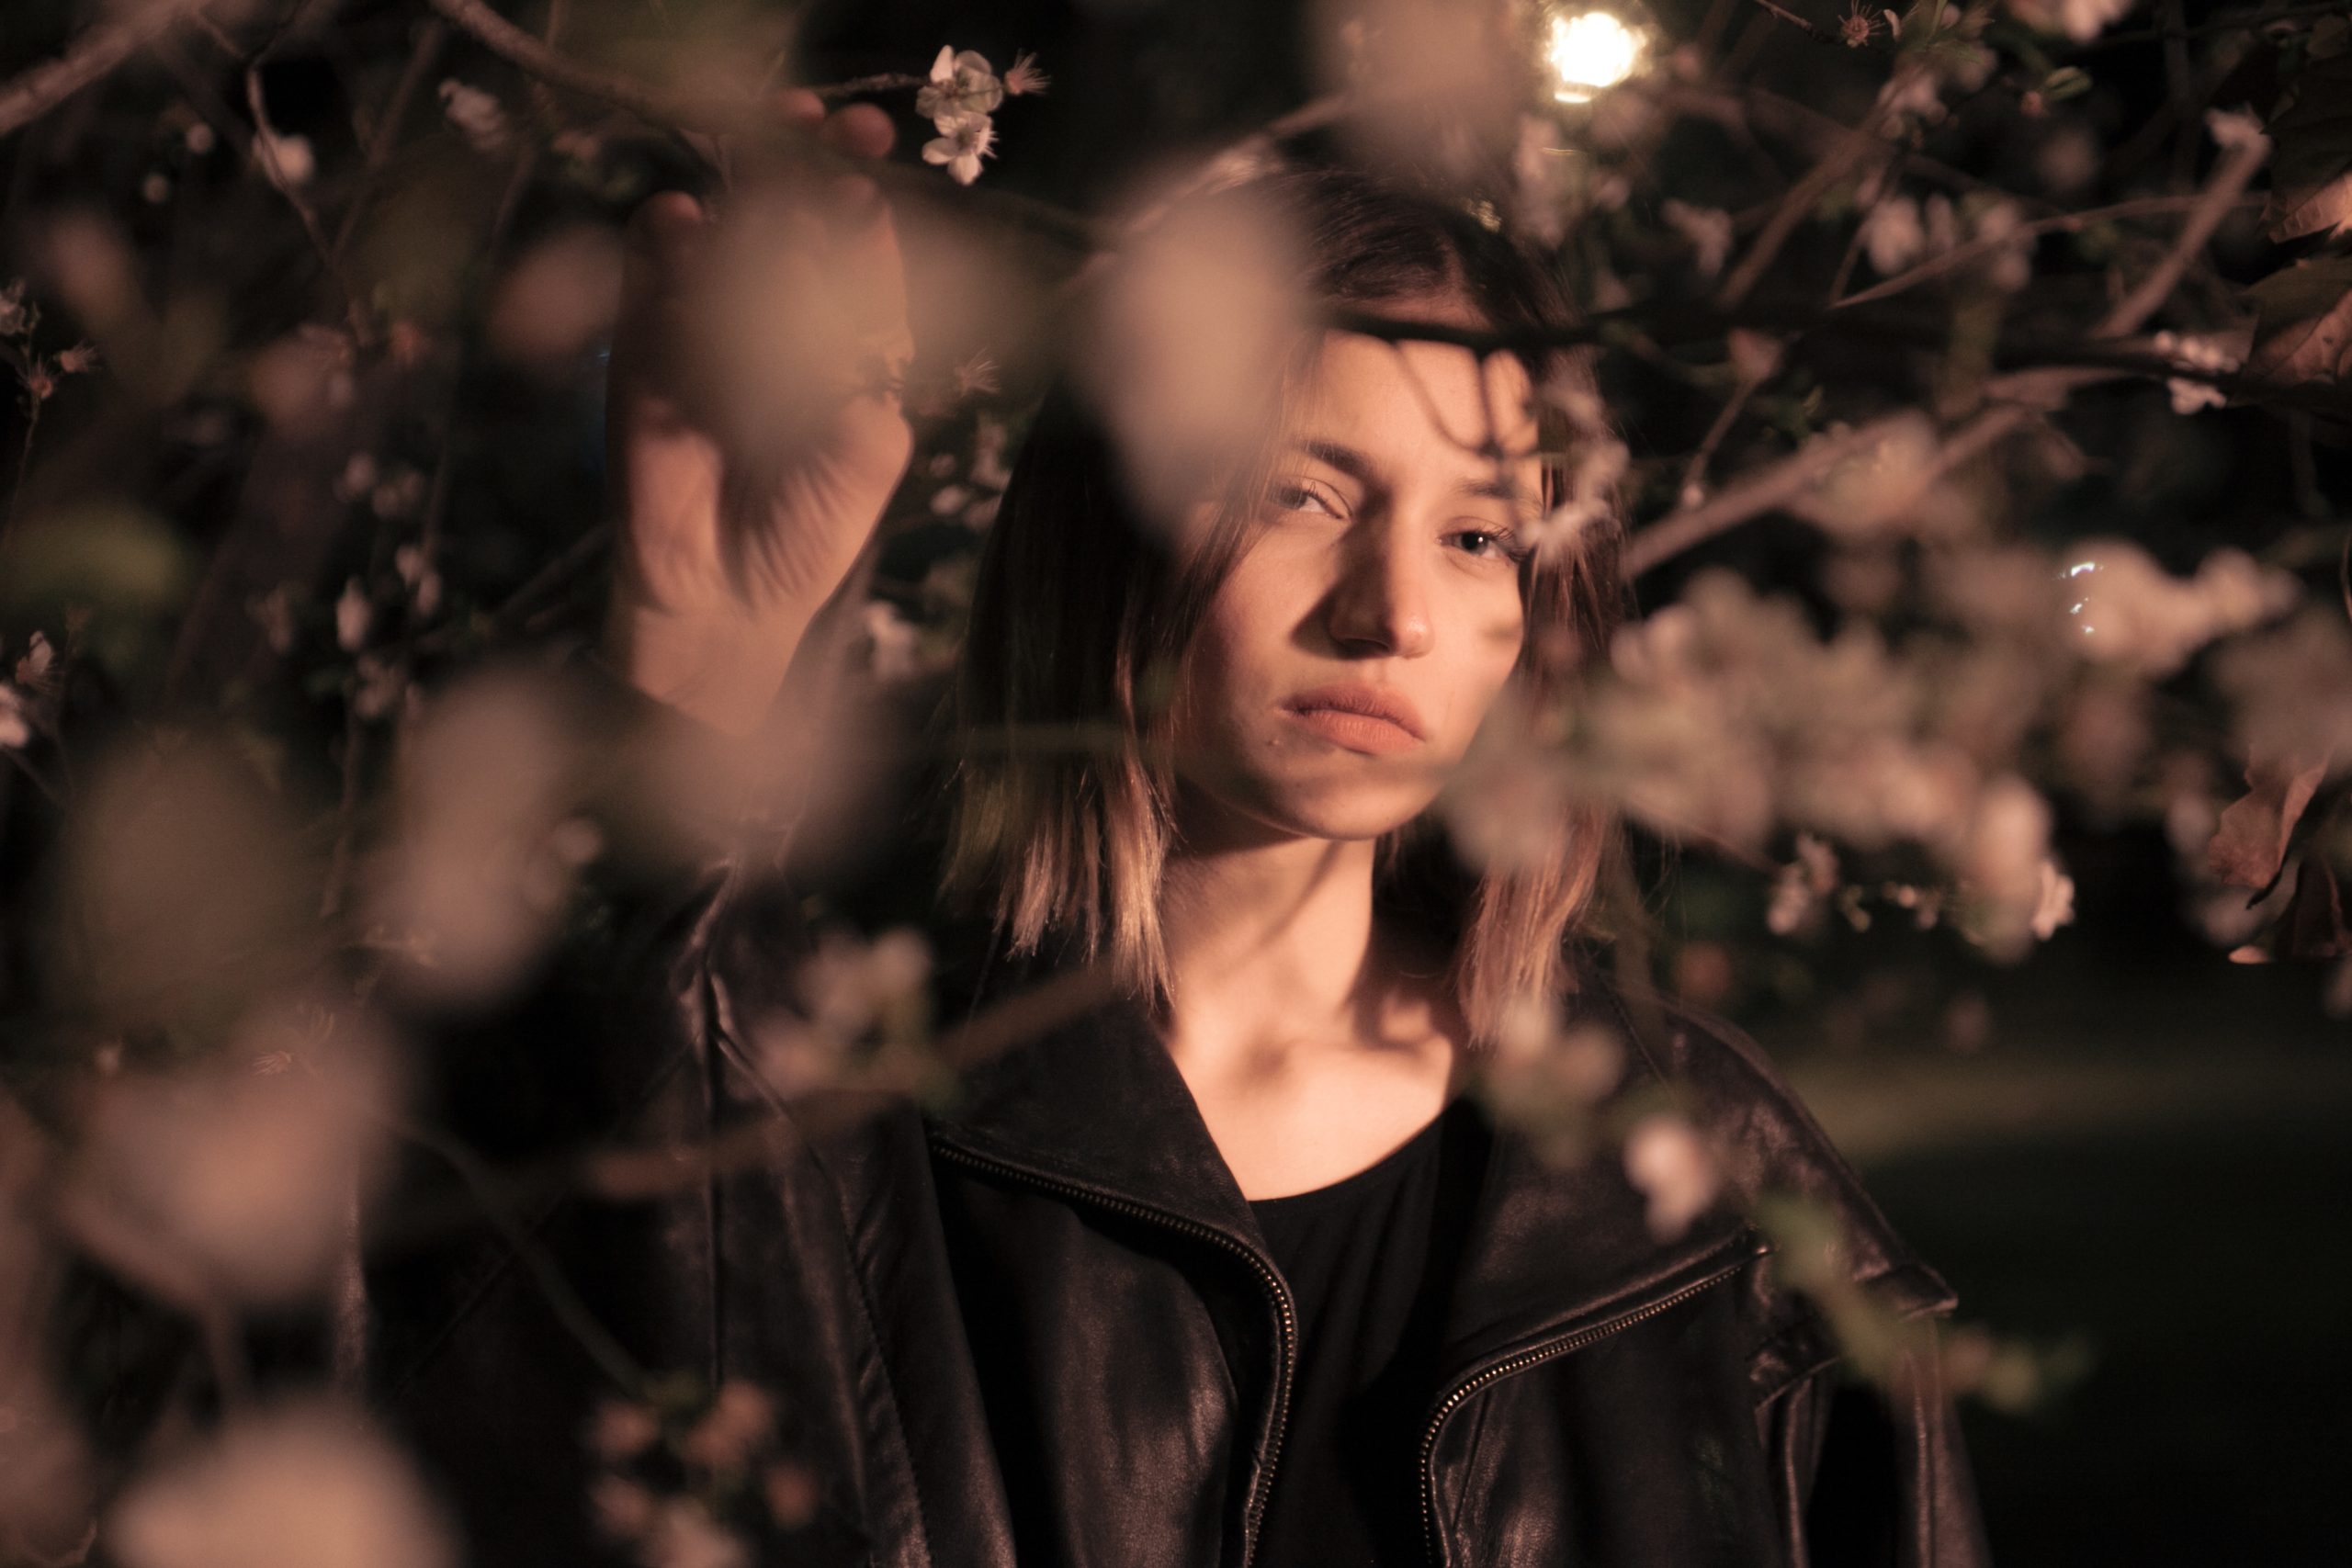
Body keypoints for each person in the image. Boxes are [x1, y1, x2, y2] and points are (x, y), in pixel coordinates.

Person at [367, 96, 1992, 1568]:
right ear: (1117, 533)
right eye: (1303, 494)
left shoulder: (1703, 1187)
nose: (1394, 614)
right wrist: (690, 649)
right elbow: (505, 1374)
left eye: (1480, 534)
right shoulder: (845, 1109)